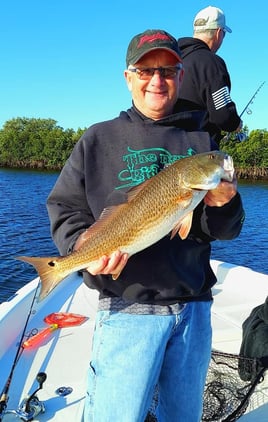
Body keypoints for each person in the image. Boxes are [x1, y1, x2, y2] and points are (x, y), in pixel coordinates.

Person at [46, 29, 245, 422]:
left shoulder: (201, 140)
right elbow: (65, 207)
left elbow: (222, 230)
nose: (157, 80)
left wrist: (227, 203)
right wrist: (80, 249)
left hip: (193, 311)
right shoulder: (98, 139)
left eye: (168, 70)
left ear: (182, 75)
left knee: (183, 416)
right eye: (146, 70)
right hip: (127, 307)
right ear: (128, 77)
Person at [176, 6, 243, 144]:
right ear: (218, 33)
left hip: (169, 147)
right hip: (198, 151)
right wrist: (236, 124)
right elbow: (223, 115)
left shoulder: (175, 59)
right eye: (224, 34)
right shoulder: (212, 63)